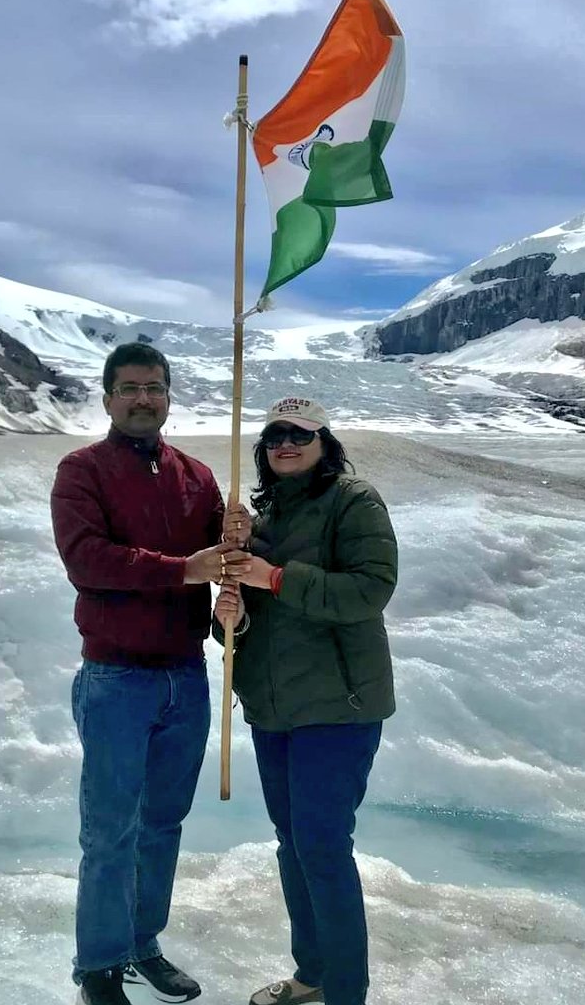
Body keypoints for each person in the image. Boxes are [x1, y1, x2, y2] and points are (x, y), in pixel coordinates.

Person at [52, 342, 251, 1005]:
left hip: (184, 678)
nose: (144, 399)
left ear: (168, 397)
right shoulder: (81, 472)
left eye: (155, 387)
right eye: (131, 387)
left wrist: (235, 546)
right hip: (116, 679)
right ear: (108, 397)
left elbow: (220, 559)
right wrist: (183, 570)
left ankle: (142, 944)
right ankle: (100, 965)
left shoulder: (196, 476)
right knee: (110, 829)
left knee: (162, 823)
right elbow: (89, 562)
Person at [214, 396, 398, 1005]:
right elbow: (245, 625)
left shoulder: (353, 501)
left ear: (325, 442)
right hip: (274, 708)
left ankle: (346, 993)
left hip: (338, 705)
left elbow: (369, 591)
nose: (285, 444)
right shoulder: (258, 521)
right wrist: (229, 618)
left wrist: (272, 576)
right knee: (293, 842)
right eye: (274, 436)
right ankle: (313, 973)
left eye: (299, 434)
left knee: (320, 844)